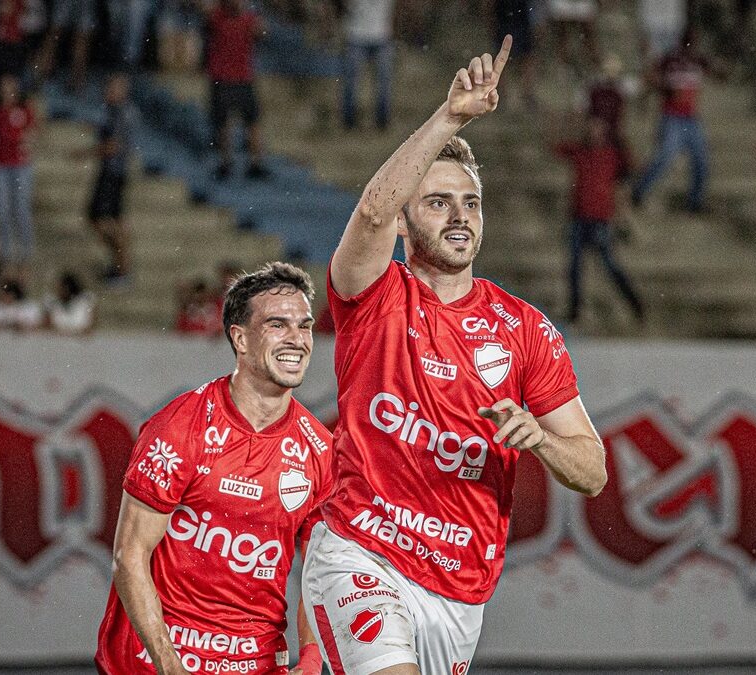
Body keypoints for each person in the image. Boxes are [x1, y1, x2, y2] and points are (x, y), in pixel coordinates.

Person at [301, 36, 607, 675]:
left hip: (459, 590)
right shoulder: (375, 295)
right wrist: (451, 118)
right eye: (438, 203)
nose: (459, 216)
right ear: (406, 222)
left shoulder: (524, 329)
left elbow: (593, 470)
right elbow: (372, 211)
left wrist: (541, 440)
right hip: (360, 554)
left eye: (470, 203)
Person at [94, 262, 330, 675]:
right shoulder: (180, 427)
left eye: (304, 326)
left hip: (256, 664)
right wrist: (170, 666)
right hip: (156, 661)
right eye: (277, 325)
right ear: (240, 338)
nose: (297, 339)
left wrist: (311, 659)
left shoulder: (320, 450)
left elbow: (321, 573)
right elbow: (129, 556)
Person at [554, 116, 645, 325]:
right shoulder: (581, 151)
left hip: (600, 219)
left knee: (609, 265)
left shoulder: (612, 155)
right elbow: (555, 146)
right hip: (579, 217)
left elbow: (633, 166)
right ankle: (575, 310)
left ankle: (635, 303)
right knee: (575, 266)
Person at [631, 27, 718, 213]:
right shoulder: (670, 59)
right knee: (665, 157)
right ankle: (639, 191)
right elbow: (651, 77)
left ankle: (696, 202)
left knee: (701, 159)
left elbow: (717, 72)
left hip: (691, 118)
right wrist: (664, 88)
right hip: (672, 117)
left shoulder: (698, 60)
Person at [79, 73, 137, 286]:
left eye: (112, 88)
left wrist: (85, 153)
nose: (108, 92)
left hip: (112, 172)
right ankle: (121, 266)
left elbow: (114, 145)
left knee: (101, 218)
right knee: (111, 219)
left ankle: (121, 265)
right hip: (116, 172)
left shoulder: (120, 113)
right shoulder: (120, 112)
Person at [206, 0, 269, 180]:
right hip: (224, 78)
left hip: (241, 78)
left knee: (251, 123)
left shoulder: (248, 19)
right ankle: (227, 162)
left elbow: (263, 33)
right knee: (224, 125)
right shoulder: (217, 16)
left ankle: (254, 163)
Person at [0, 75, 37, 276]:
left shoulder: (24, 110)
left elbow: (34, 132)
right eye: (4, 89)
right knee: (2, 211)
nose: (7, 93)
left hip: (20, 166)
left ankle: (26, 256)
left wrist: (27, 142)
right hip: (1, 166)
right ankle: (6, 257)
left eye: (10, 89)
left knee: (21, 210)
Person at [341, 0, 395, 131]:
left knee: (383, 82)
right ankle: (349, 121)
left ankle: (382, 121)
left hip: (380, 35)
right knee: (352, 81)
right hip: (357, 35)